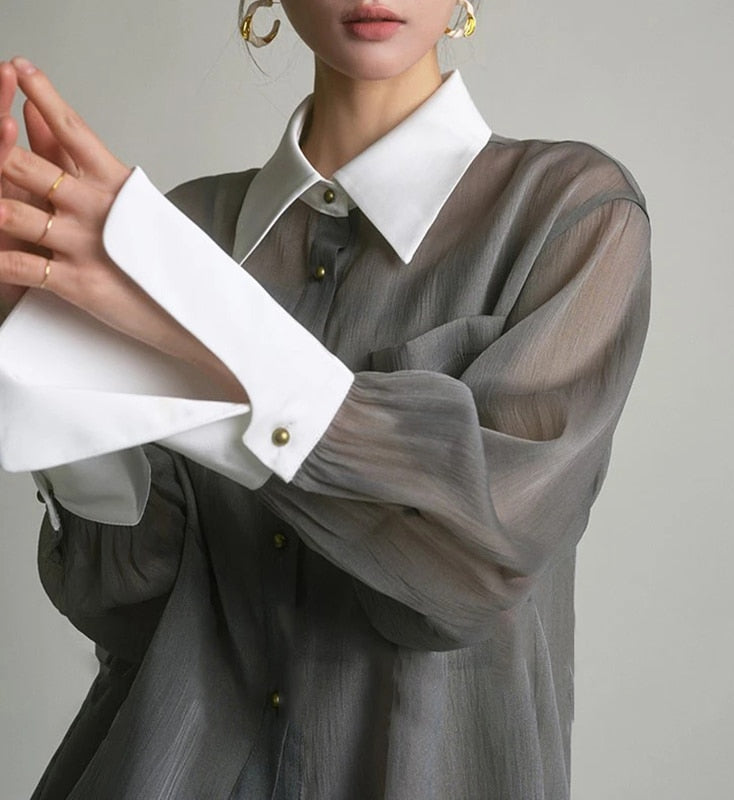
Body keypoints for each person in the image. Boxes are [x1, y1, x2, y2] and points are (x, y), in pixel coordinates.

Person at [0, 1, 651, 797]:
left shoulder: (570, 213)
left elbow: (469, 568)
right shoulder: (176, 227)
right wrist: (42, 342)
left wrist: (187, 302)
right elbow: (126, 605)